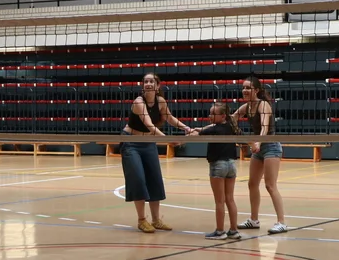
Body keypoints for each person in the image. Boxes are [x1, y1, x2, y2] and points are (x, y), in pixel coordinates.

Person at [121, 73, 193, 233]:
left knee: (155, 180)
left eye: (151, 81)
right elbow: (149, 125)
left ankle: (156, 220)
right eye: (145, 81)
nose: (148, 84)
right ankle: (141, 220)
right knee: (138, 179)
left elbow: (170, 118)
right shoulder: (139, 102)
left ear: (157, 85)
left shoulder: (160, 101)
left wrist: (186, 128)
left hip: (149, 142)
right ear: (142, 85)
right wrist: (167, 140)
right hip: (131, 143)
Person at [233, 76, 287, 234]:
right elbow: (231, 119)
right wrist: (238, 133)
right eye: (243, 87)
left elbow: (264, 127)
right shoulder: (246, 107)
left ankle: (282, 222)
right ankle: (254, 220)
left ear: (256, 90)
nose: (244, 90)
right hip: (258, 148)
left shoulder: (263, 105)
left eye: (248, 88)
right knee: (252, 184)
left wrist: (258, 142)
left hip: (270, 146)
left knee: (270, 185)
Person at [189, 102, 241, 240]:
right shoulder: (230, 126)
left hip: (218, 166)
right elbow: (206, 129)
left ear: (223, 116)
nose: (209, 115)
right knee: (230, 199)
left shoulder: (214, 129)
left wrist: (187, 134)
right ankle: (234, 231)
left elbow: (196, 134)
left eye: (213, 113)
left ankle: (220, 231)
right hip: (231, 165)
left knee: (219, 201)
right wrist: (200, 129)